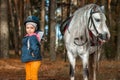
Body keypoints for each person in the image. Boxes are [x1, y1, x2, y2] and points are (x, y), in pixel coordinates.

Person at [21, 15, 43, 80]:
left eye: (31, 28)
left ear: (35, 28)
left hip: (34, 60)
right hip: (28, 59)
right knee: (28, 76)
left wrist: (34, 53)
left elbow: (35, 47)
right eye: (27, 28)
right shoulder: (27, 37)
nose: (29, 30)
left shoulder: (33, 37)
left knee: (33, 76)